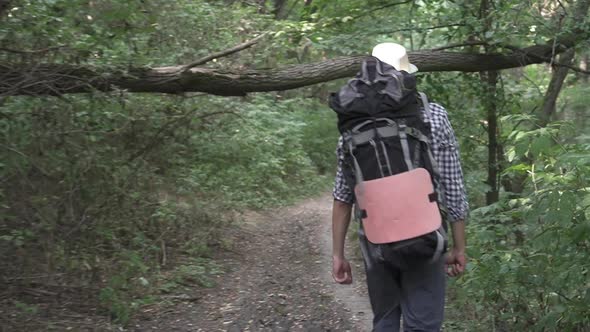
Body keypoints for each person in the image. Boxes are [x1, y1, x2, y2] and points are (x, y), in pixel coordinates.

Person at [331, 42, 469, 331]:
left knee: (385, 320)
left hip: (375, 239)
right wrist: (458, 246)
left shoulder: (352, 124)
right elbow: (452, 184)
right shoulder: (433, 115)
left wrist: (338, 254)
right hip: (427, 234)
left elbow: (343, 197)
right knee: (423, 324)